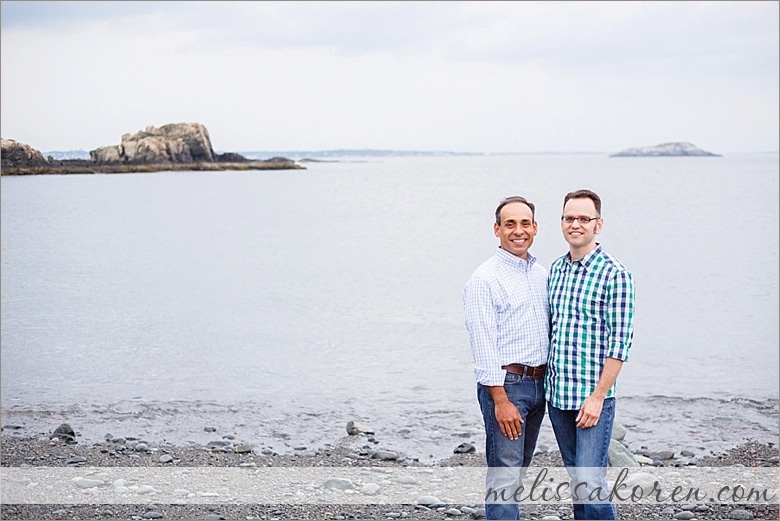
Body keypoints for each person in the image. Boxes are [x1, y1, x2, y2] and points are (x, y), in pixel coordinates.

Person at [545, 189, 636, 520]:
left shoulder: (616, 275)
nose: (576, 224)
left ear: (599, 224)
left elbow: (620, 344)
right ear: (562, 223)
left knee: (590, 480)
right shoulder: (556, 270)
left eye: (584, 218)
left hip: (592, 400)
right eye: (570, 218)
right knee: (576, 481)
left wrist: (598, 397)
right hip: (558, 397)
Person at [463, 195, 550, 520]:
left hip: (541, 384)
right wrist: (500, 399)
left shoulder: (541, 273)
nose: (518, 231)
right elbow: (482, 344)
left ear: (535, 227)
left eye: (525, 223)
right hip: (507, 387)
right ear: (496, 229)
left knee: (518, 469)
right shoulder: (484, 280)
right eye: (510, 224)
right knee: (504, 473)